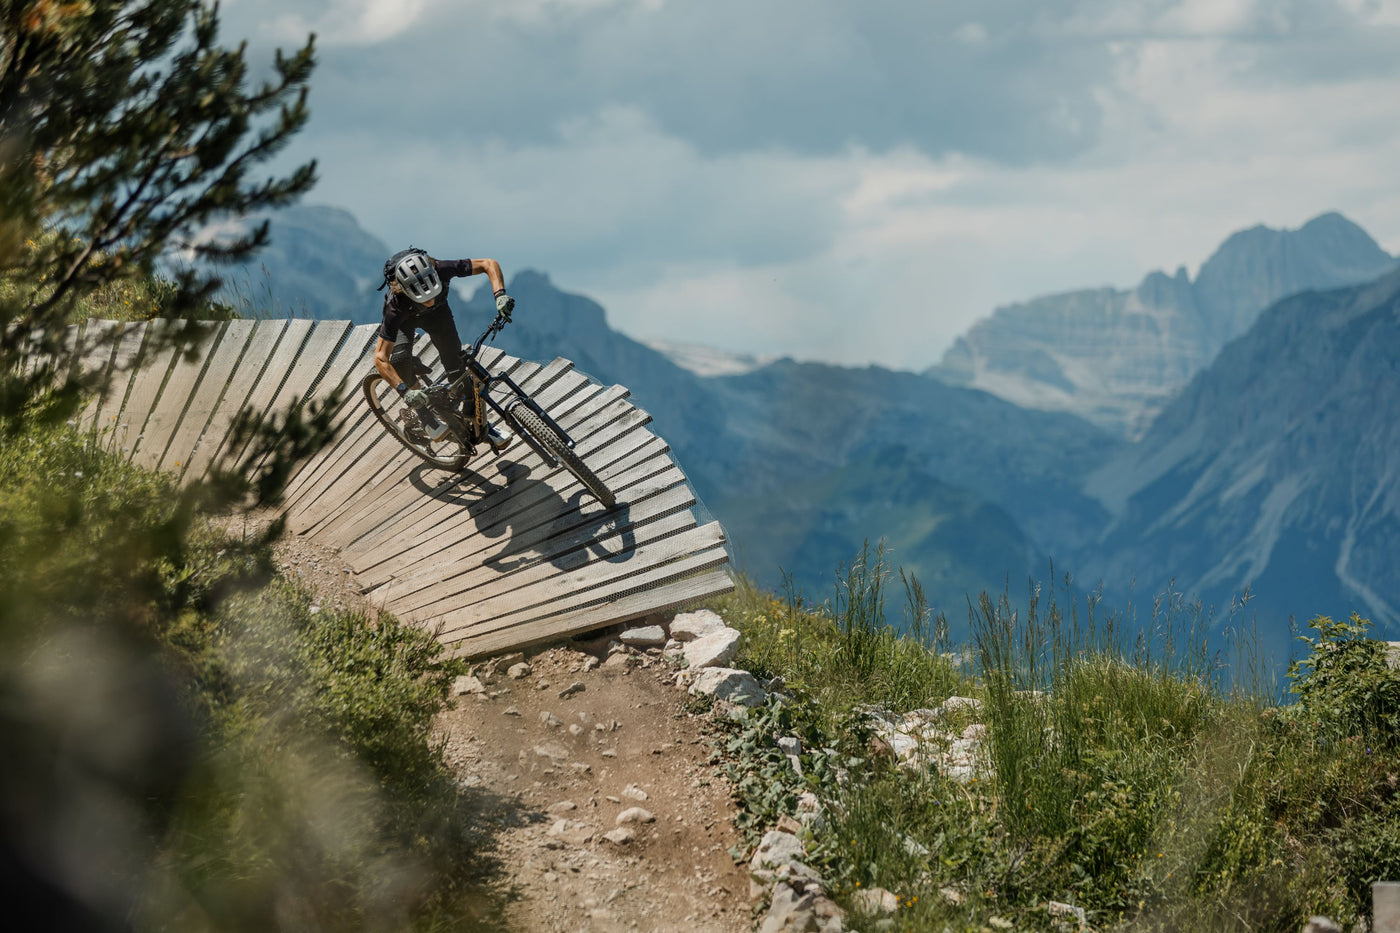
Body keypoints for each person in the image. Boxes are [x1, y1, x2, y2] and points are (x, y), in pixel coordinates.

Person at [374, 247, 516, 449]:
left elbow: (488, 264)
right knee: (399, 360)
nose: (430, 301)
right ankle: (424, 416)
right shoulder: (396, 306)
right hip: (406, 321)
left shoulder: (441, 269)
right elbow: (380, 357)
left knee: (458, 368)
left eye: (433, 294)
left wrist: (500, 294)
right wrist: (405, 391)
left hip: (439, 316)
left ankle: (480, 427)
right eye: (424, 299)